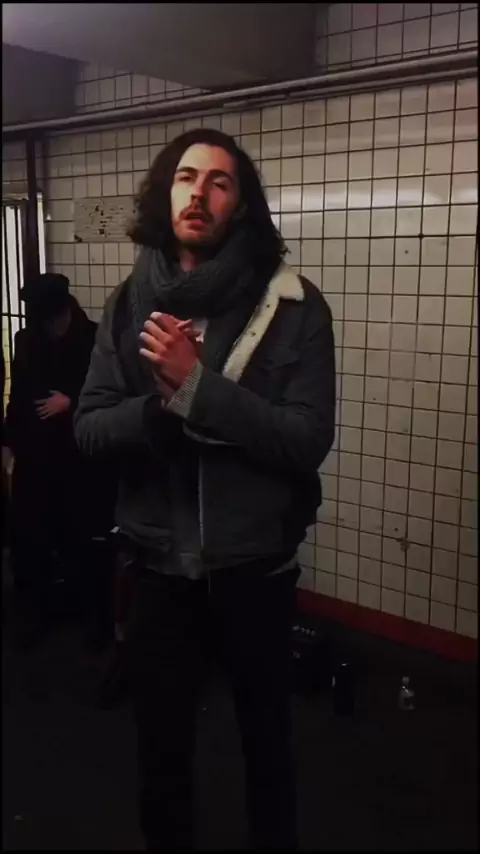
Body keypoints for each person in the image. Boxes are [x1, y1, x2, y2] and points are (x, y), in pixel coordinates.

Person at [74, 128, 335, 851]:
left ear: (241, 205)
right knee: (161, 753)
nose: (200, 192)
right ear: (166, 194)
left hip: (256, 567)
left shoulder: (292, 304)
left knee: (266, 743)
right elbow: (88, 429)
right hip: (158, 567)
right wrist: (160, 413)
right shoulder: (128, 304)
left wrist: (195, 390)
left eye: (220, 182)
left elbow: (308, 438)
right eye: (187, 177)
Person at [3, 273, 98, 647]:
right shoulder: (27, 339)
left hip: (76, 455)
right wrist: (10, 442)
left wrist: (70, 401)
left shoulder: (93, 339)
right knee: (31, 537)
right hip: (34, 453)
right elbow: (18, 395)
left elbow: (108, 393)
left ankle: (91, 618)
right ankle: (35, 613)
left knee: (82, 537)